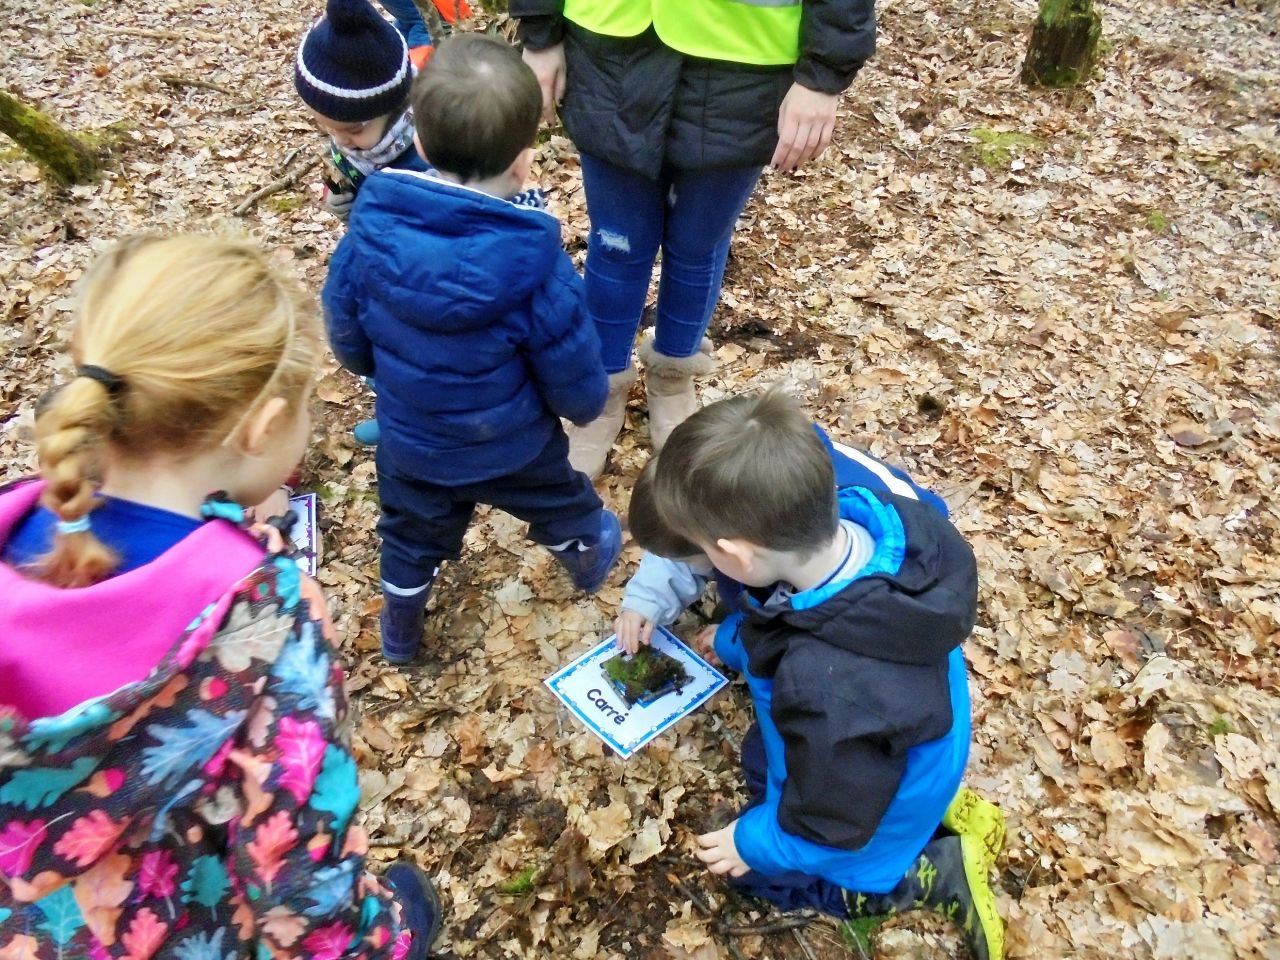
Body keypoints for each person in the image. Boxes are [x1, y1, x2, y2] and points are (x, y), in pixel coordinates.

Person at [0, 235, 441, 960]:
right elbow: (299, 880)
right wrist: (385, 942)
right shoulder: (266, 617)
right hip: (189, 925)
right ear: (262, 429)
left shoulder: (16, 519)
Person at [628, 388, 1005, 960]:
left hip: (872, 810)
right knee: (776, 769)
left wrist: (754, 843)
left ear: (735, 556)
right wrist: (732, 640)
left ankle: (930, 872)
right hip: (914, 751)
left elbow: (829, 819)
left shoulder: (830, 691)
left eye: (701, 550)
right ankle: (932, 813)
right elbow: (782, 618)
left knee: (763, 875)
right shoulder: (875, 527)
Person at [322, 33, 622, 665]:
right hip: (512, 444)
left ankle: (400, 626)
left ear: (424, 146)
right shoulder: (537, 264)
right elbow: (570, 363)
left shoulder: (368, 233)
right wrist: (585, 406)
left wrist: (380, 372)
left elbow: (344, 328)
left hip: (412, 441)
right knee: (562, 503)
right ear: (523, 163)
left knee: (408, 536)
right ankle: (587, 556)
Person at [510, 0, 876, 477]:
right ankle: (601, 391)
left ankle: (673, 376)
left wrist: (822, 77)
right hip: (609, 46)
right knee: (617, 244)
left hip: (744, 63)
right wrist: (540, 33)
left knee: (698, 246)